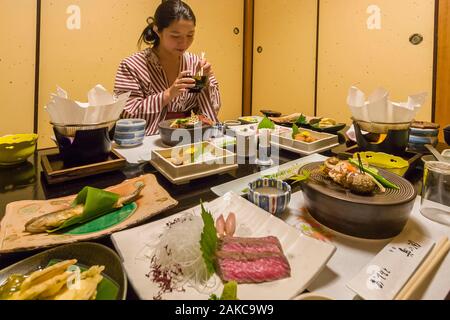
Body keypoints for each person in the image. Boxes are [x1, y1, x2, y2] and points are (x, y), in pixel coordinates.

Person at [114, 0, 221, 135]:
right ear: (157, 30)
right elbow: (127, 113)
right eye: (175, 36)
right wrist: (168, 95)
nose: (184, 42)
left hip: (185, 137)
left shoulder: (195, 64)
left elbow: (208, 113)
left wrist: (205, 83)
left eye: (190, 35)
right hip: (145, 140)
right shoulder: (132, 65)